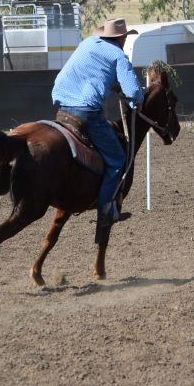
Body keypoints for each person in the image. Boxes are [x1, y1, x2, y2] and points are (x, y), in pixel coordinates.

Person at [52, 18, 145, 229]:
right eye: (125, 37)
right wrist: (137, 102)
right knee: (118, 159)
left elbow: (93, 74)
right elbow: (133, 90)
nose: (125, 41)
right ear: (120, 38)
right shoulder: (118, 55)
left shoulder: (87, 44)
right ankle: (105, 211)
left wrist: (115, 87)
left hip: (63, 109)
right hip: (87, 113)